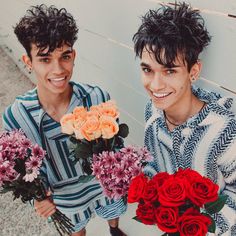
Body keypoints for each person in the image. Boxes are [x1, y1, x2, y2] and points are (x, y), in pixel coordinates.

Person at [2, 4, 127, 236]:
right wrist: (37, 200)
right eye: (45, 59)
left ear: (73, 56)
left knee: (113, 213)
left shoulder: (97, 98)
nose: (58, 69)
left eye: (65, 56)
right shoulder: (17, 116)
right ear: (28, 61)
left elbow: (117, 147)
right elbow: (21, 170)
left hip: (102, 189)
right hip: (64, 200)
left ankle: (114, 230)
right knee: (76, 231)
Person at [133, 2, 236, 235]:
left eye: (169, 71)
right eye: (148, 70)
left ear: (194, 71)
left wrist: (199, 226)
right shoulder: (152, 112)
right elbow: (155, 162)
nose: (155, 85)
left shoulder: (225, 132)